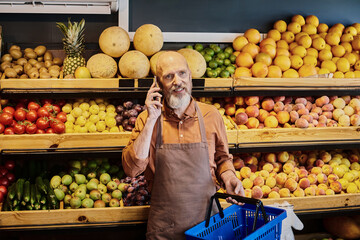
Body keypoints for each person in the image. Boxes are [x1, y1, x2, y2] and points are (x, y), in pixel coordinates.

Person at [122, 51, 245, 240]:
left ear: (190, 76)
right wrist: (151, 120)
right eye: (169, 76)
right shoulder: (147, 119)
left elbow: (222, 159)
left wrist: (229, 178)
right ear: (158, 84)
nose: (177, 81)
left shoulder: (210, 115)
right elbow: (131, 169)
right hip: (164, 229)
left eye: (182, 73)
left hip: (208, 224)